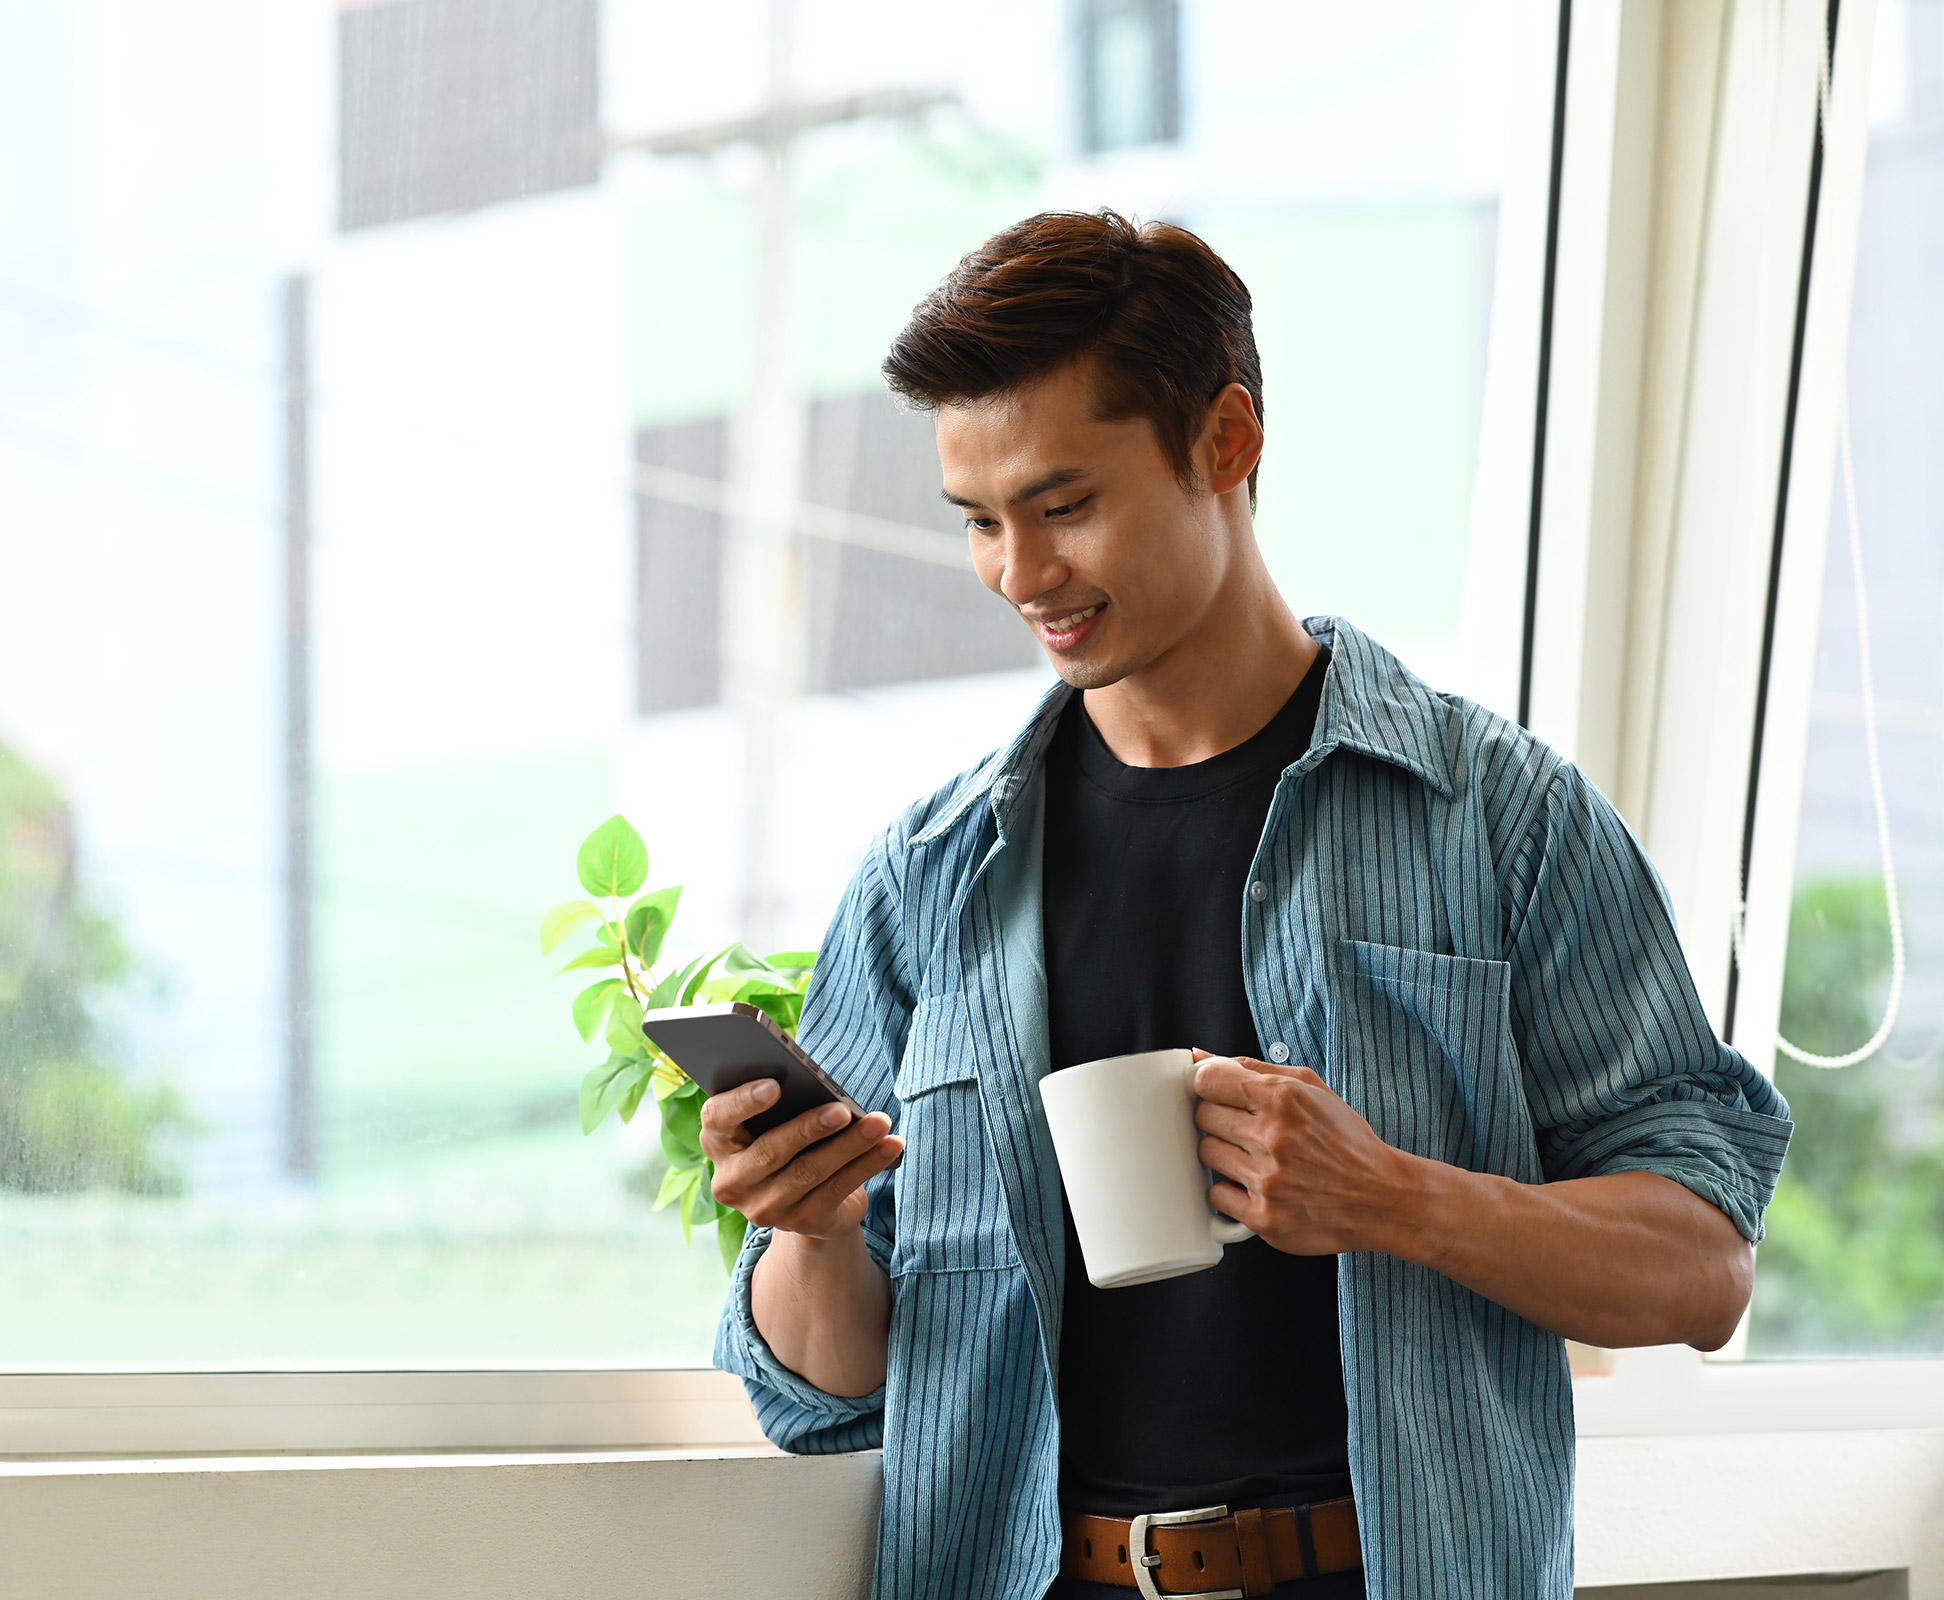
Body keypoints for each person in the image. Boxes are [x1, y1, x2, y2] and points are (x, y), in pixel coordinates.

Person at [705, 212, 1791, 1600]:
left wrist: (1394, 1197)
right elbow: (830, 1388)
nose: (1021, 576)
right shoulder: (926, 883)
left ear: (1227, 442)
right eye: (981, 522)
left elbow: (1702, 1268)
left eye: (1064, 505)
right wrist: (811, 1229)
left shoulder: (1500, 816)